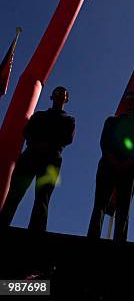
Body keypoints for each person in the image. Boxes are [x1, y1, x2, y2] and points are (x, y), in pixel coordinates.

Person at [0, 86, 75, 231]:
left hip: (52, 161)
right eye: (57, 94)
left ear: (66, 99)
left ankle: (37, 230)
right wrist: (37, 143)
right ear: (52, 97)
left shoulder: (69, 120)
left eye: (63, 95)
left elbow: (67, 138)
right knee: (15, 193)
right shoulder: (39, 115)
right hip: (31, 156)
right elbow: (27, 131)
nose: (60, 96)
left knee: (42, 198)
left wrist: (47, 143)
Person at [87, 91, 134, 241]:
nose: (130, 103)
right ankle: (92, 237)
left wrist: (128, 162)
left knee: (124, 209)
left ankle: (120, 240)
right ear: (125, 102)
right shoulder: (111, 121)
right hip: (108, 165)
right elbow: (104, 141)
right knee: (100, 204)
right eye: (129, 100)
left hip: (129, 168)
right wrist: (112, 159)